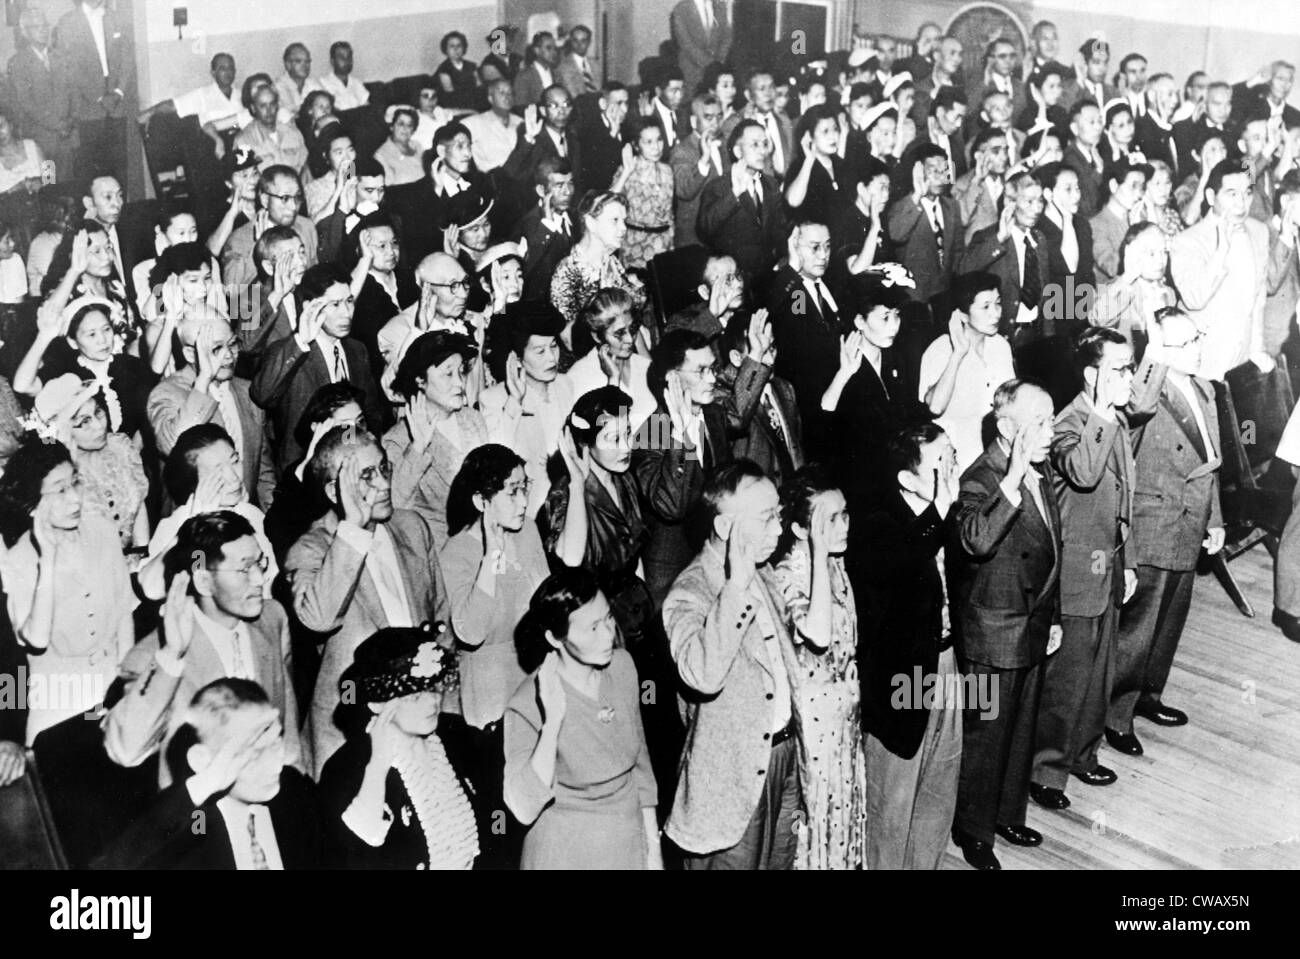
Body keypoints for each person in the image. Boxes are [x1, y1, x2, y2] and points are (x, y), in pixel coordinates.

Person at [1029, 327, 1161, 813]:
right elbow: (1084, 474)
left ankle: (1083, 754)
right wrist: (1104, 410)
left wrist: (1125, 561)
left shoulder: (1115, 421)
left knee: (1099, 669)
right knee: (1068, 679)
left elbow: (1121, 498)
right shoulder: (1069, 424)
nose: (1129, 377)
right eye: (1120, 369)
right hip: (1076, 576)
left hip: (1106, 566)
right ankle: (1046, 768)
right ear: (1092, 374)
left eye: (1130, 367)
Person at [663, 459, 804, 869]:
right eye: (767, 518)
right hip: (730, 783)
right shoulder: (689, 592)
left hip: (782, 760)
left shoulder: (764, 573)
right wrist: (737, 586)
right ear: (725, 529)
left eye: (778, 514)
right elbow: (703, 676)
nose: (779, 528)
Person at [286, 426, 450, 775]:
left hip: (420, 731)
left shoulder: (412, 527)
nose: (384, 484)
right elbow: (317, 618)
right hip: (350, 740)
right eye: (366, 476)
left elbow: (441, 621)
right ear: (334, 490)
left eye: (384, 469)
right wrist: (354, 526)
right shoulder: (312, 548)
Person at [949, 380, 1061, 870]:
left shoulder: (1041, 468)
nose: (1052, 432)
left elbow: (1052, 550)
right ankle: (973, 829)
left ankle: (1008, 812)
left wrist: (1053, 616)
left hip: (1032, 623)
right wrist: (1013, 478)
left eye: (1052, 419)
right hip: (995, 631)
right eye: (1040, 422)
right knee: (988, 735)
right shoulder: (981, 477)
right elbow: (976, 541)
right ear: (1006, 426)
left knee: (1020, 728)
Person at [105, 511, 304, 785]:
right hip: (202, 821)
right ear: (203, 581)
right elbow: (126, 750)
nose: (259, 579)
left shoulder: (272, 619)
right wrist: (171, 656)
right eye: (245, 568)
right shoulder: (154, 655)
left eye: (260, 563)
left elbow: (289, 735)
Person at [1108, 307, 1223, 749]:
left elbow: (1212, 462)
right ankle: (1116, 715)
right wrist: (1153, 354)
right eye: (1185, 343)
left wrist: (1215, 519)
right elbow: (1137, 403)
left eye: (1196, 338)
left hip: (1191, 519)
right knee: (1138, 628)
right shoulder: (1147, 393)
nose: (1197, 349)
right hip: (1155, 524)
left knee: (1170, 621)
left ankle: (1148, 695)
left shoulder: (1205, 390)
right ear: (1160, 351)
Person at [852, 422, 963, 870]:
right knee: (893, 803)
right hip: (905, 676)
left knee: (940, 782)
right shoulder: (877, 522)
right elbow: (901, 567)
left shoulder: (949, 510)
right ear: (906, 478)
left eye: (953, 454)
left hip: (949, 662)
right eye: (941, 462)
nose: (953, 467)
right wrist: (939, 513)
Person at [504, 568, 660, 868]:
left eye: (609, 619)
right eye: (592, 628)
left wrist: (653, 853)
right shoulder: (525, 703)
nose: (608, 635)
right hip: (567, 851)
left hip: (627, 843)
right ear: (554, 638)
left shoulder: (623, 667)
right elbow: (522, 807)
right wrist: (552, 722)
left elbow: (641, 771)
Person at [439, 444, 548, 866]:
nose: (524, 502)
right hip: (490, 716)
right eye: (512, 492)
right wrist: (491, 555)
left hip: (533, 700)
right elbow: (470, 630)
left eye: (526, 489)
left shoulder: (530, 532)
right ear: (482, 502)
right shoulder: (457, 553)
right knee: (501, 827)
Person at [94, 678, 323, 870]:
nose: (275, 765)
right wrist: (204, 784)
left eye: (276, 742)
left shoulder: (293, 793)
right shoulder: (194, 827)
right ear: (202, 760)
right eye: (254, 752)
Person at [0, 437, 135, 744]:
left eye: (75, 483)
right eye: (60, 490)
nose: (75, 498)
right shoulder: (19, 558)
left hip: (111, 678)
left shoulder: (101, 530)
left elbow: (124, 616)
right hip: (58, 696)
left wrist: (124, 684)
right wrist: (47, 559)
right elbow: (36, 638)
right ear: (33, 504)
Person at [767, 466, 863, 870]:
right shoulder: (789, 573)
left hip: (844, 719)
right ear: (801, 529)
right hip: (815, 725)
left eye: (844, 514)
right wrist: (820, 556)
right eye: (830, 520)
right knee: (816, 821)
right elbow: (819, 635)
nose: (843, 526)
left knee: (843, 816)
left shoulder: (836, 565)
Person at [318, 626, 478, 869]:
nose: (432, 701)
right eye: (414, 695)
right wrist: (378, 767)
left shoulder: (456, 735)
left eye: (434, 687)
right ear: (376, 703)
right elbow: (354, 853)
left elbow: (496, 826)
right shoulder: (346, 770)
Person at [251, 263, 386, 472]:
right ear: (309, 307)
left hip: (354, 467)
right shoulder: (289, 351)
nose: (346, 313)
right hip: (306, 473)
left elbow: (371, 413)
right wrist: (300, 342)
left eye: (349, 301)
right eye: (335, 305)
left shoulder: (357, 350)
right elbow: (262, 395)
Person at [137, 423, 279, 602]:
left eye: (234, 461)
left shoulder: (252, 515)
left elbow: (271, 581)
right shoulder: (176, 525)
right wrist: (194, 529)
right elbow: (168, 586)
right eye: (217, 471)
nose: (233, 477)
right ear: (193, 481)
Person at [148, 314, 276, 510]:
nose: (229, 355)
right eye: (216, 348)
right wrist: (204, 380)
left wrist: (271, 525)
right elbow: (174, 445)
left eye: (232, 344)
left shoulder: (247, 391)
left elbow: (263, 472)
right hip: (195, 524)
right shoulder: (167, 393)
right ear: (190, 354)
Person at [820, 279, 927, 509]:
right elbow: (823, 425)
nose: (894, 326)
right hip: (857, 485)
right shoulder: (837, 361)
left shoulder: (895, 359)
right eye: (885, 317)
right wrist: (844, 374)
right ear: (860, 321)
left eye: (897, 315)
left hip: (893, 479)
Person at [1168, 158, 1272, 380]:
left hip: (1244, 360)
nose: (1241, 203)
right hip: (1207, 362)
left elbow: (1258, 299)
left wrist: (1257, 349)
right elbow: (1195, 298)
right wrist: (1221, 252)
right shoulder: (1187, 241)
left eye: (1247, 193)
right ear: (1210, 197)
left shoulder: (1259, 231)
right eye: (1232, 194)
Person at [383, 330, 488, 548]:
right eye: (448, 374)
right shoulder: (396, 440)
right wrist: (417, 449)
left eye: (461, 372)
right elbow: (394, 507)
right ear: (420, 380)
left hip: (483, 542)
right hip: (437, 552)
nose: (459, 383)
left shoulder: (473, 419)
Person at [14, 288, 156, 441]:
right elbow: (22, 386)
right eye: (91, 334)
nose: (102, 340)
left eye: (106, 329)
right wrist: (44, 337)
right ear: (73, 342)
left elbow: (148, 418)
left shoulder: (131, 365)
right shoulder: (66, 373)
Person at [29, 374, 148, 549]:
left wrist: (141, 553)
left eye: (98, 412)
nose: (99, 426)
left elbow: (139, 501)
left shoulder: (119, 446)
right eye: (84, 421)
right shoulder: (62, 475)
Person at [479, 301, 575, 518]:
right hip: (531, 513)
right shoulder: (494, 399)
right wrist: (515, 400)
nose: (551, 358)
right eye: (540, 351)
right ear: (517, 358)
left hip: (575, 504)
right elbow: (497, 464)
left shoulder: (566, 385)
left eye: (553, 346)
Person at [918, 272, 1015, 473]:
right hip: (956, 459)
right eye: (985, 307)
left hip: (995, 454)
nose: (996, 313)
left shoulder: (1001, 346)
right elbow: (935, 408)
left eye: (998, 303)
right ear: (962, 315)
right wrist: (958, 354)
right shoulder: (939, 350)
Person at [959, 170, 1052, 350]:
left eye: (1040, 200)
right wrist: (1000, 238)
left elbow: (1046, 292)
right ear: (1009, 202)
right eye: (1029, 201)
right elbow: (963, 271)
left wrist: (1049, 338)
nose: (1037, 208)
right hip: (1001, 337)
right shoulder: (989, 237)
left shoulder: (1039, 239)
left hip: (1034, 335)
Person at [549, 190, 646, 337]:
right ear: (591, 223)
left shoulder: (611, 262)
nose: (624, 228)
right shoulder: (568, 269)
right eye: (615, 220)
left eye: (623, 220)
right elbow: (568, 336)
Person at [54, 0, 133, 181]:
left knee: (119, 169)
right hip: (88, 108)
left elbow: (127, 57)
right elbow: (69, 67)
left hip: (116, 105)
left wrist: (119, 91)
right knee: (92, 172)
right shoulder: (67, 22)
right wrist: (98, 96)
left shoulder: (116, 18)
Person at [697, 119, 785, 282]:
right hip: (733, 280)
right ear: (738, 151)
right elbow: (704, 230)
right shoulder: (718, 187)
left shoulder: (771, 184)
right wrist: (734, 194)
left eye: (765, 144)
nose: (762, 151)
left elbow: (779, 229)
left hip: (767, 277)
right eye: (754, 145)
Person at [564, 287, 655, 432]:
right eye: (619, 333)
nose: (629, 339)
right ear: (597, 336)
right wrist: (613, 381)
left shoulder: (642, 365)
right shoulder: (579, 378)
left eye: (632, 329)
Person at [220, 165, 318, 295]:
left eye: (298, 197)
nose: (294, 206)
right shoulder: (240, 238)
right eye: (285, 198)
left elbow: (313, 277)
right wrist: (257, 248)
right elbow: (232, 292)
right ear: (265, 199)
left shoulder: (306, 226)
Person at [887, 144, 963, 312]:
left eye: (944, 171)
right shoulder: (904, 206)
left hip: (944, 297)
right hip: (913, 300)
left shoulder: (952, 207)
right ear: (918, 172)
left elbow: (958, 252)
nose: (940, 177)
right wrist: (917, 195)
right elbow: (895, 234)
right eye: (933, 170)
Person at [7, 7, 75, 181]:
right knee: (49, 185)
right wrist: (57, 125)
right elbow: (26, 103)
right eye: (37, 26)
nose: (44, 30)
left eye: (45, 25)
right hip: (42, 143)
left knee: (69, 187)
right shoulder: (18, 63)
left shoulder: (61, 58)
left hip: (67, 138)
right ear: (25, 32)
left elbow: (73, 93)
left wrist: (70, 121)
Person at [1094, 222, 1178, 353]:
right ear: (1131, 253)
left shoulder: (1169, 293)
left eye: (1164, 252)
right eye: (1151, 253)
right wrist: (1128, 276)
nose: (1160, 260)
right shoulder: (1120, 289)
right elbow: (1098, 319)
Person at [611, 118, 675, 269]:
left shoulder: (667, 170)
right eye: (648, 142)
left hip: (664, 244)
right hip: (636, 246)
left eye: (659, 140)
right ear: (636, 145)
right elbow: (608, 202)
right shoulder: (627, 170)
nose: (656, 147)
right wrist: (626, 172)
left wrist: (670, 242)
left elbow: (670, 213)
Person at [671, 93, 725, 248]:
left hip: (719, 235)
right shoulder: (682, 151)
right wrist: (704, 160)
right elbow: (684, 191)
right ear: (694, 121)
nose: (716, 123)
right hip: (693, 240)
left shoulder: (723, 145)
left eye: (719, 116)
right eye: (708, 117)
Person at [1091, 157, 1151, 285]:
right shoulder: (1097, 224)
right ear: (1113, 185)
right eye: (1133, 186)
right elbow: (1113, 268)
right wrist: (1135, 232)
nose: (1139, 194)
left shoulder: (1139, 217)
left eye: (1141, 188)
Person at [234, 84, 308, 175]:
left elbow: (306, 168)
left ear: (277, 105)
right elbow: (244, 178)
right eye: (263, 106)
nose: (269, 110)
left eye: (272, 104)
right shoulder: (243, 140)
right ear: (253, 108)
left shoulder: (293, 133)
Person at [953, 128, 1010, 246]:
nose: (1004, 157)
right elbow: (961, 220)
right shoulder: (963, 185)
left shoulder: (1008, 182)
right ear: (979, 156)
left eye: (1005, 150)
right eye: (996, 151)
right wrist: (977, 181)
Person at [672, 0, 732, 95]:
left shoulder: (720, 6)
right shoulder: (681, 9)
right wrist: (710, 65)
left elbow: (727, 37)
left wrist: (718, 63)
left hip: (717, 72)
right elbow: (686, 44)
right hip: (692, 73)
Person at [463, 78, 522, 174]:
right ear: (490, 98)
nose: (507, 97)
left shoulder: (521, 122)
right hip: (490, 181)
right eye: (502, 93)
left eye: (510, 93)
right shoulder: (473, 123)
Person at [1063, 99, 1107, 219]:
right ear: (1075, 128)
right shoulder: (1070, 159)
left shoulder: (1098, 151)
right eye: (1091, 122)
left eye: (1100, 121)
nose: (1098, 127)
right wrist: (1098, 171)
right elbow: (1087, 205)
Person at [303, 127, 356, 222]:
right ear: (326, 156)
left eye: (350, 150)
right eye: (339, 152)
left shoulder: (362, 179)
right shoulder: (314, 188)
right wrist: (339, 190)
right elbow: (315, 223)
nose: (347, 158)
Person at [374, 106, 424, 188]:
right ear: (392, 126)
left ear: (413, 129)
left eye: (409, 125)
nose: (405, 128)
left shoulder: (417, 146)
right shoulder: (381, 156)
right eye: (401, 124)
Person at [513, 32, 560, 113]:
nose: (554, 52)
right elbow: (520, 108)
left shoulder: (555, 74)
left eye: (554, 48)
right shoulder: (524, 76)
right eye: (548, 48)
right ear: (537, 50)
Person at [434, 31, 480, 112]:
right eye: (452, 46)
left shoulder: (472, 66)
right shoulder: (444, 69)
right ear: (446, 49)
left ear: (464, 48)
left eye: (459, 45)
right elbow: (451, 97)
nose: (456, 49)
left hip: (474, 104)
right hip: (455, 108)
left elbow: (480, 88)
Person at [319, 41, 370, 110]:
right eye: (341, 57)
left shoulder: (356, 83)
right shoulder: (323, 84)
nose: (346, 61)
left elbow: (367, 109)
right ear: (332, 61)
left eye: (349, 57)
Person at [555, 24, 598, 98]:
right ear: (571, 42)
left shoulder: (595, 65)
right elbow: (572, 95)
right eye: (575, 40)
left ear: (589, 42)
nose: (579, 44)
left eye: (583, 41)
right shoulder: (563, 67)